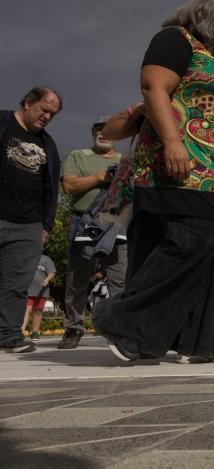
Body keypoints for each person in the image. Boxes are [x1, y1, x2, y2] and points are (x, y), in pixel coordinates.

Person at [93, 0, 214, 363]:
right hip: (184, 168)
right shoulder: (174, 40)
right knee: (190, 244)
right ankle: (123, 323)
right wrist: (172, 142)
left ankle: (209, 341)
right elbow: (153, 88)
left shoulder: (212, 57)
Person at [0, 87, 62, 354]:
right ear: (27, 102)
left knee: (16, 285)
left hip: (28, 225)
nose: (47, 117)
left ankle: (9, 335)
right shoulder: (3, 122)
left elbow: (52, 190)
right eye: (43, 110)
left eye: (53, 114)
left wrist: (46, 226)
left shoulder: (48, 144)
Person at [58, 117, 127, 349]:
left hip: (116, 224)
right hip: (82, 222)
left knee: (120, 278)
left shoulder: (125, 161)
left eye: (109, 130)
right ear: (92, 132)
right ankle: (73, 327)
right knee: (78, 277)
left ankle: (119, 328)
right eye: (99, 129)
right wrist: (102, 178)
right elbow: (68, 186)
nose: (104, 133)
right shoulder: (78, 156)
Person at [22, 254, 55, 340]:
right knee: (26, 310)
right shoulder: (25, 257)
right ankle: (20, 332)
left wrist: (47, 279)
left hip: (41, 291)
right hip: (27, 290)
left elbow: (51, 273)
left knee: (37, 311)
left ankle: (35, 332)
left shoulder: (46, 259)